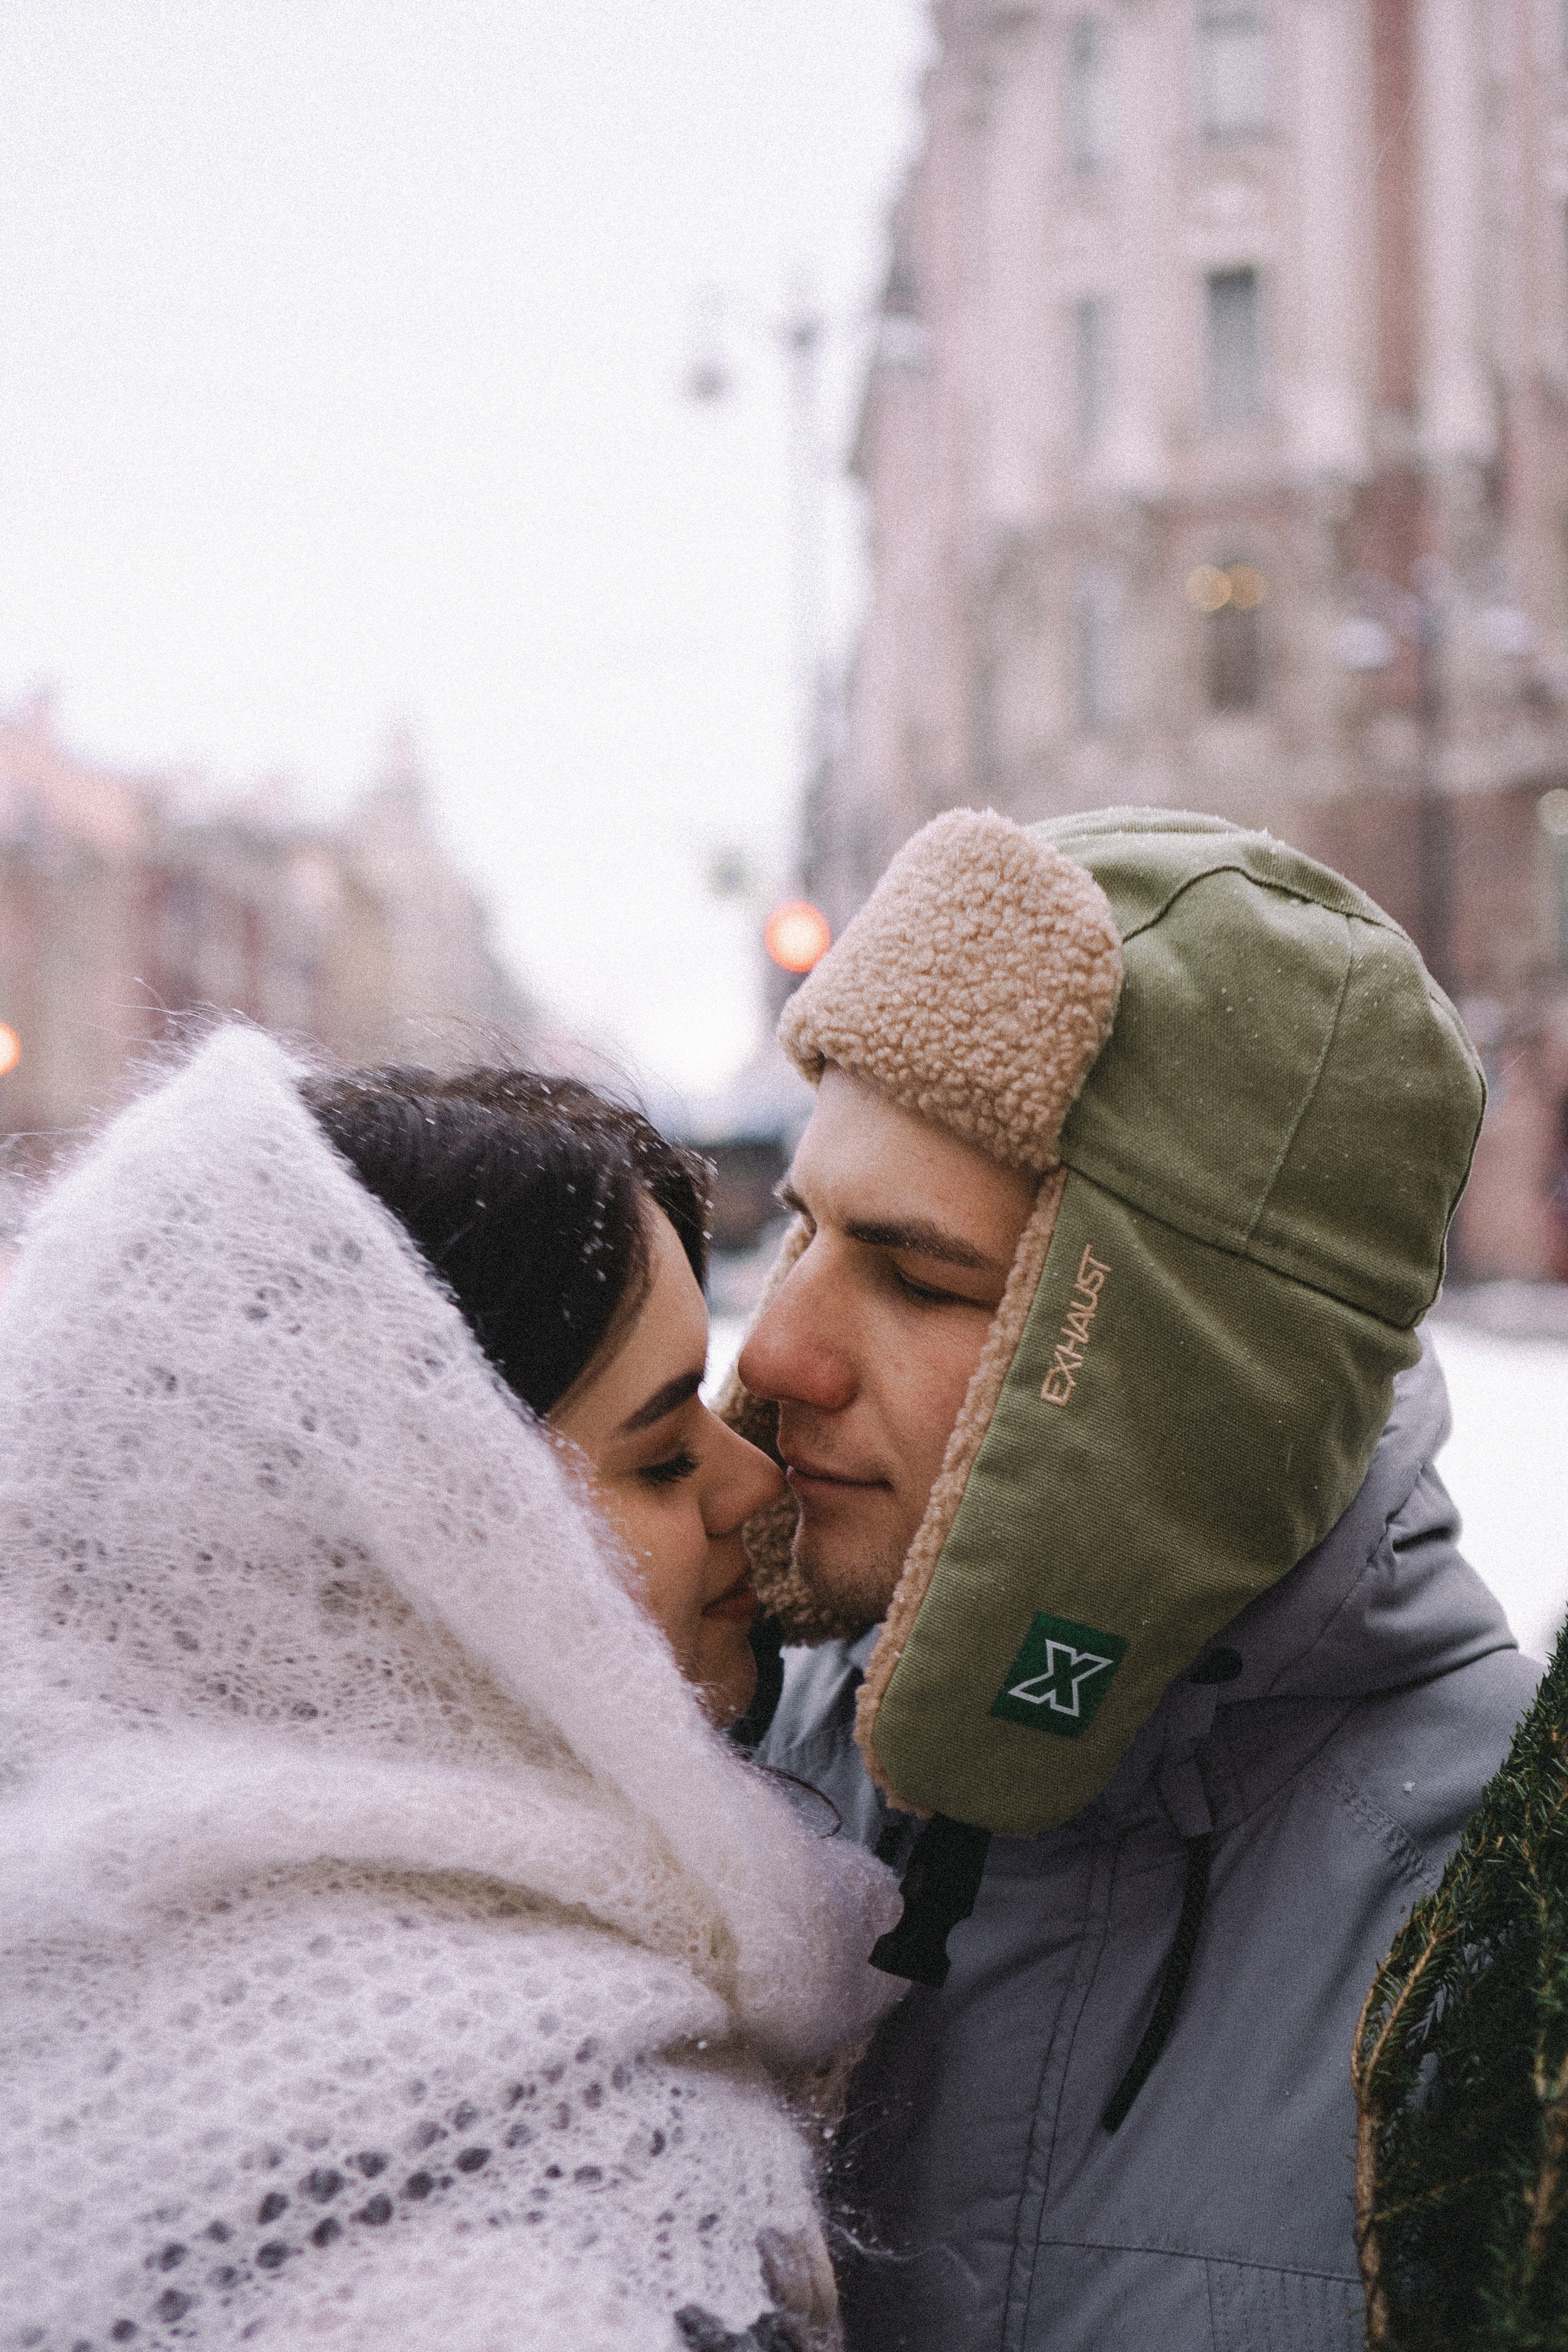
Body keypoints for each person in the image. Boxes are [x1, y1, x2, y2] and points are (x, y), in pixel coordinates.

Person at [724, 805, 1542, 2352]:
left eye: (918, 1275)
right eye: (803, 1229)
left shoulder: (1494, 1905)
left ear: (1191, 1376)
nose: (773, 1353)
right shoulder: (736, 1764)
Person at [0, 1026, 900, 2352]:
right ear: (410, 1570)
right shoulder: (501, 2230)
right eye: (658, 1456)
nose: (750, 1480)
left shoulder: (97, 1959)